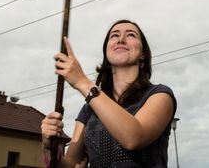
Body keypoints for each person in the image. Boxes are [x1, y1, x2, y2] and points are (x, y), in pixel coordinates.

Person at [41, 20, 176, 167]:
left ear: (143, 54)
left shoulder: (160, 95)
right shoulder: (89, 109)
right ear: (107, 50)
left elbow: (134, 138)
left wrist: (82, 82)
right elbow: (72, 165)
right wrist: (49, 148)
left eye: (131, 35)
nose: (121, 39)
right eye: (114, 35)